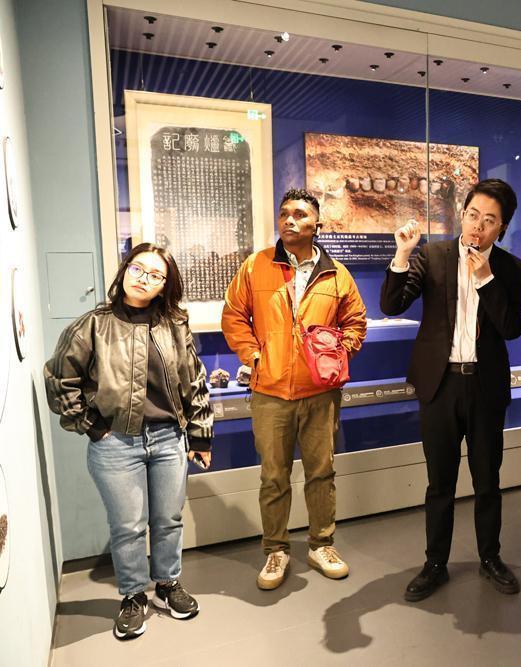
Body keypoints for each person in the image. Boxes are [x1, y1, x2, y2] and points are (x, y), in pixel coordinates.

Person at [44, 243, 213, 641]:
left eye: (155, 275)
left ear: (164, 285)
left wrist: (200, 435)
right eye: (138, 269)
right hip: (116, 444)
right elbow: (59, 380)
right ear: (124, 271)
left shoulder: (174, 324)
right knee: (128, 526)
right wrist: (93, 426)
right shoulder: (92, 325)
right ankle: (133, 595)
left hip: (168, 438)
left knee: (168, 519)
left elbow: (193, 379)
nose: (144, 279)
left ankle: (167, 584)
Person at [381, 179, 521, 602]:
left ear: (502, 227)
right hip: (440, 384)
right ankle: (435, 564)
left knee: (488, 480)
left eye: (490, 220)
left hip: (485, 386)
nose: (478, 225)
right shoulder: (434, 255)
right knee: (439, 483)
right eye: (473, 215)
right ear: (462, 215)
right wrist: (403, 254)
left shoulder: (511, 268)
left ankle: (490, 557)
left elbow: (511, 328)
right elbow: (392, 304)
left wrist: (485, 279)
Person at [222, 188, 367, 590]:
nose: (290, 220)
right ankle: (275, 550)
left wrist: (338, 354)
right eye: (284, 213)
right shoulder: (256, 266)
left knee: (321, 473)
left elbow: (356, 321)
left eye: (300, 214)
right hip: (270, 392)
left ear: (317, 224)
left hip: (320, 393)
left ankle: (322, 544)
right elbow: (234, 316)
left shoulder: (336, 274)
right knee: (274, 476)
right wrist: (254, 357)